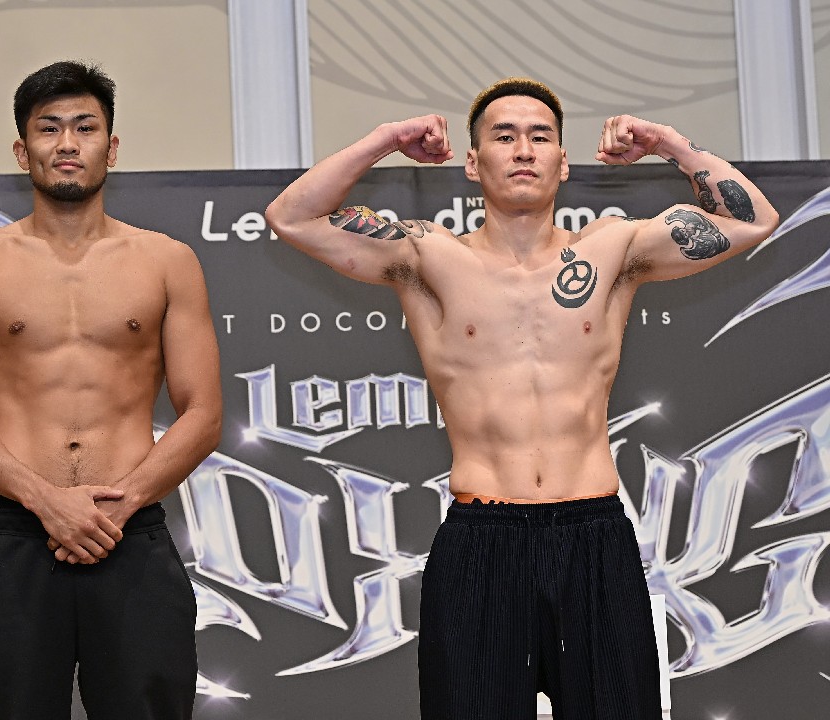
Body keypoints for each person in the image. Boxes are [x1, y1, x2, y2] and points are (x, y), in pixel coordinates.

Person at [265, 77, 778, 719]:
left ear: (563, 162)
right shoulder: (426, 256)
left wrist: (667, 142)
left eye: (540, 137)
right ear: (473, 163)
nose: (524, 150)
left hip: (594, 536)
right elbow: (291, 217)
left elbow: (753, 219)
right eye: (504, 137)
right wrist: (387, 139)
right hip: (482, 539)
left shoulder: (612, 248)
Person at [0, 60, 221, 719]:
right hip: (16, 537)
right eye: (48, 128)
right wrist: (47, 501)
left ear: (110, 148)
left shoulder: (168, 261)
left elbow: (203, 413)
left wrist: (120, 504)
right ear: (21, 149)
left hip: (130, 536)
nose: (66, 143)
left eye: (85, 128)